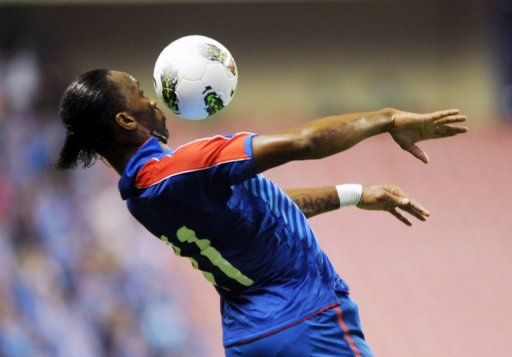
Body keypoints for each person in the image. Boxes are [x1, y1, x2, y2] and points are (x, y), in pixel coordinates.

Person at [56, 69, 467, 356]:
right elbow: (305, 141)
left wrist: (354, 193)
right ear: (126, 120)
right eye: (140, 93)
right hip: (308, 320)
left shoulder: (140, 193)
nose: (152, 99)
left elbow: (264, 214)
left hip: (248, 338)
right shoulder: (188, 166)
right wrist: (387, 118)